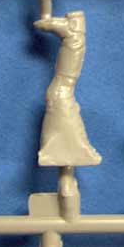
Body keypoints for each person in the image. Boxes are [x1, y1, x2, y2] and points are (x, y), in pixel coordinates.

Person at [34, 11, 101, 166]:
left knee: (62, 107)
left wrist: (46, 22)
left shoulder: (73, 35)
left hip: (62, 89)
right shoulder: (75, 36)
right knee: (63, 110)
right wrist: (47, 20)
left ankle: (67, 151)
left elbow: (48, 25)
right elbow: (51, 24)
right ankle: (65, 151)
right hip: (62, 88)